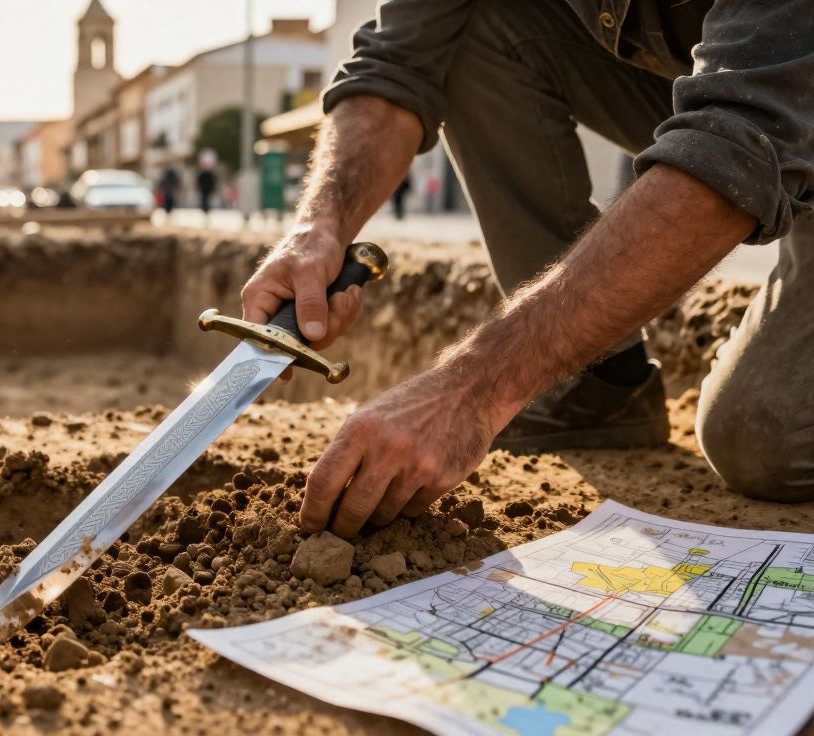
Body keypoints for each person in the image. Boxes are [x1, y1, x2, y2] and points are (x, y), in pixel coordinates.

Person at [239, 0, 813, 538]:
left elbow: (740, 146)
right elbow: (399, 60)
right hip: (748, 107)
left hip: (776, 112)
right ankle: (596, 383)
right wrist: (320, 227)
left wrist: (474, 388)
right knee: (477, 24)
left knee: (762, 437)